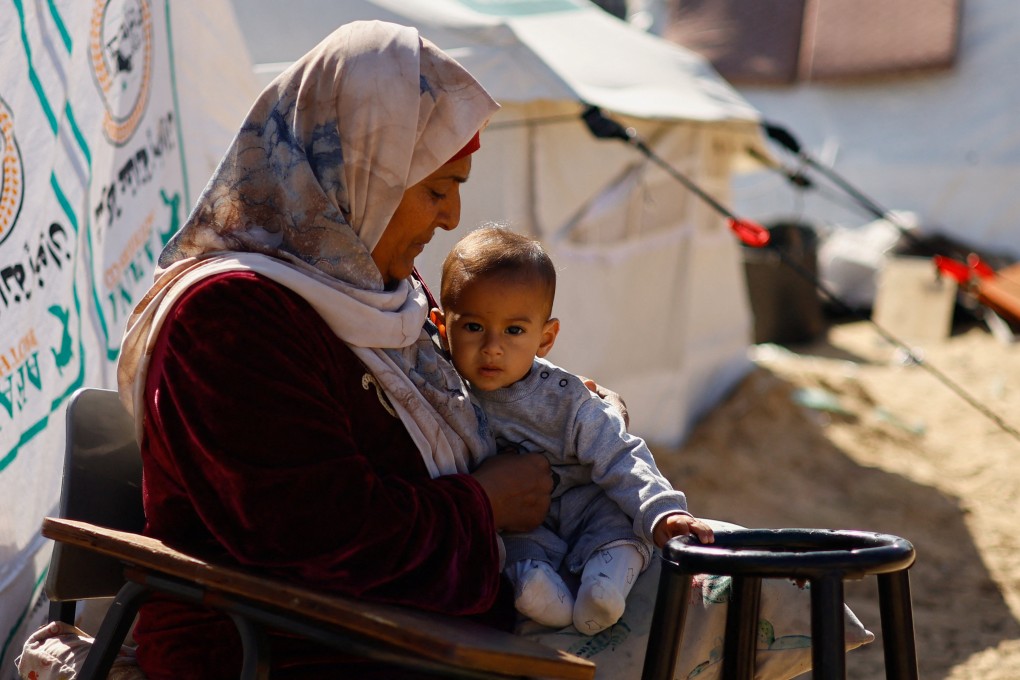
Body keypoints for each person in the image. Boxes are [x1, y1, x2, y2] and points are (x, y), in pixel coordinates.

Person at [116, 21, 555, 679]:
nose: (452, 220)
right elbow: (308, 535)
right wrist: (482, 507)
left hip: (414, 638)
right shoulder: (231, 317)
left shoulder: (392, 302)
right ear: (356, 172)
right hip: (284, 651)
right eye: (437, 189)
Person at [433, 225, 715, 635]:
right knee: (513, 552)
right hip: (527, 523)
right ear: (443, 327)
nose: (493, 346)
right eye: (474, 327)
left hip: (584, 503)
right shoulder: (445, 393)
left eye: (514, 331)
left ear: (545, 338)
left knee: (615, 523)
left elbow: (620, 454)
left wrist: (663, 511)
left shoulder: (567, 399)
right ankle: (544, 595)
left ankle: (606, 582)